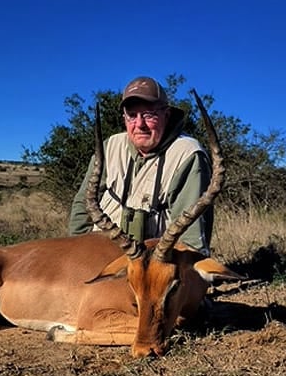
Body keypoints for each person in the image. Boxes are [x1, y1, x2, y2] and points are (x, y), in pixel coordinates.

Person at [68, 76, 213, 255]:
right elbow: (83, 204)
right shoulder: (110, 146)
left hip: (156, 261)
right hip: (100, 254)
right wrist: (75, 252)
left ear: (166, 115)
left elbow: (192, 235)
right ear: (124, 118)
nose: (139, 124)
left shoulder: (187, 154)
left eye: (149, 115)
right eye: (132, 115)